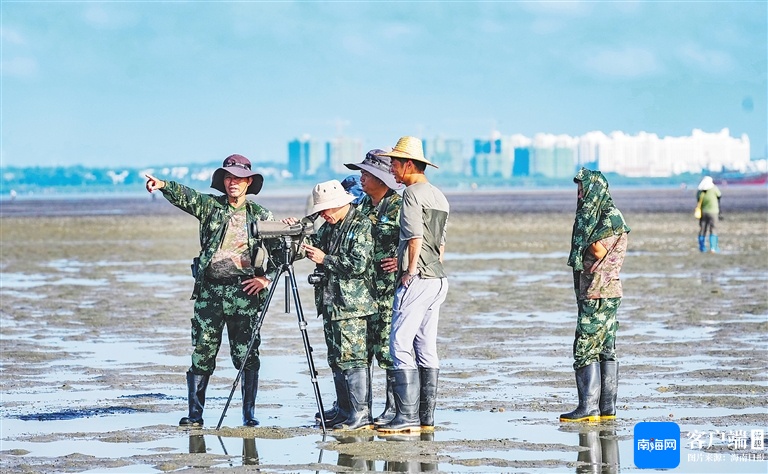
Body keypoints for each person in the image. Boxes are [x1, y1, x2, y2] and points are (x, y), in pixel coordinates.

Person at [145, 154, 276, 428]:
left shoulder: (261, 215)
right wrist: (163, 185)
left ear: (248, 182)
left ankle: (248, 415)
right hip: (210, 294)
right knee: (202, 352)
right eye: (229, 178)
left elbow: (281, 252)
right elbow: (187, 196)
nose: (233, 183)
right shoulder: (211, 207)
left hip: (244, 294)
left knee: (247, 354)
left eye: (239, 178)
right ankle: (195, 415)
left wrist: (265, 279)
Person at [375, 136, 449, 434]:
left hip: (418, 279)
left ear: (408, 164)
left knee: (399, 343)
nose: (391, 169)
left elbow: (415, 237)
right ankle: (425, 419)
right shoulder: (439, 195)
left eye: (394, 163)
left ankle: (405, 417)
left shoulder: (411, 195)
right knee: (426, 346)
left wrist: (408, 271)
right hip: (438, 278)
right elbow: (441, 244)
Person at [290, 179, 376, 430]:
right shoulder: (330, 227)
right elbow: (313, 241)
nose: (323, 216)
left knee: (353, 358)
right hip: (331, 302)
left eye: (325, 211)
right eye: (320, 212)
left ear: (339, 205)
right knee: (337, 358)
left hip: (353, 305)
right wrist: (296, 232)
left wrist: (324, 258)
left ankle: (360, 414)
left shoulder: (360, 224)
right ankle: (344, 409)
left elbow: (358, 265)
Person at [562, 168, 630, 423]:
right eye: (579, 190)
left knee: (585, 346)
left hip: (598, 291)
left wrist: (585, 228)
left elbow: (599, 250)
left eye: (583, 189)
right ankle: (606, 408)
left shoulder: (606, 216)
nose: (580, 195)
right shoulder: (607, 214)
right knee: (605, 348)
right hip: (605, 290)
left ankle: (588, 407)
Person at [344, 150, 403, 428]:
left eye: (366, 174)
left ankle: (394, 409)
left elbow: (422, 240)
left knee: (387, 348)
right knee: (363, 349)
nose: (361, 178)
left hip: (389, 289)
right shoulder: (362, 205)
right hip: (362, 290)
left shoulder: (399, 206)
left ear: (382, 179)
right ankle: (359, 410)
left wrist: (403, 261)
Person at [696, 176, 722, 253]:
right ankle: (713, 248)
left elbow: (697, 199)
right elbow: (719, 195)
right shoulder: (714, 189)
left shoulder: (700, 191)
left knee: (702, 229)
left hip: (703, 212)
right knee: (713, 229)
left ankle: (702, 248)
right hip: (713, 212)